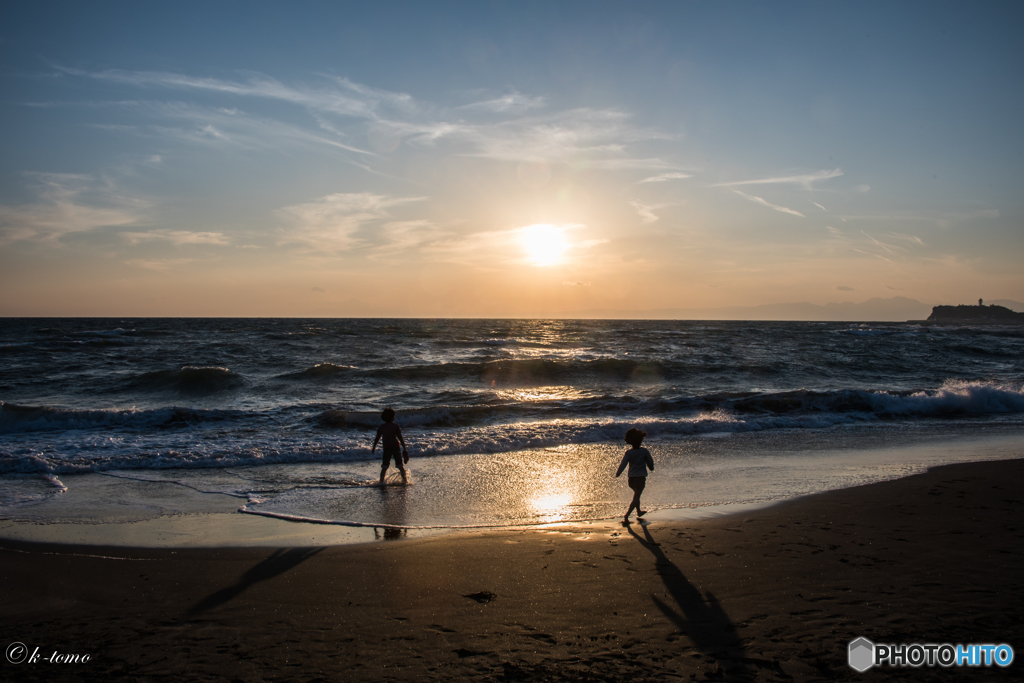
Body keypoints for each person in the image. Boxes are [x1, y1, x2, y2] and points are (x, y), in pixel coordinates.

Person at [615, 427, 654, 522]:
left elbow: (623, 464)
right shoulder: (644, 451)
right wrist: (651, 468)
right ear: (641, 440)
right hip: (640, 478)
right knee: (636, 496)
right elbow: (650, 463)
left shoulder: (628, 453)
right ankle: (626, 516)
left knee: (637, 495)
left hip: (631, 479)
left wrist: (618, 473)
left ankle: (639, 511)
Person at [372, 407, 409, 484]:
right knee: (400, 466)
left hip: (387, 448)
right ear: (392, 417)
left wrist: (374, 447)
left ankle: (381, 482)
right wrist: (404, 448)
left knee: (384, 467)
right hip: (396, 447)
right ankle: (405, 481)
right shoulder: (396, 426)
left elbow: (377, 438)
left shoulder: (381, 427)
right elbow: (400, 438)